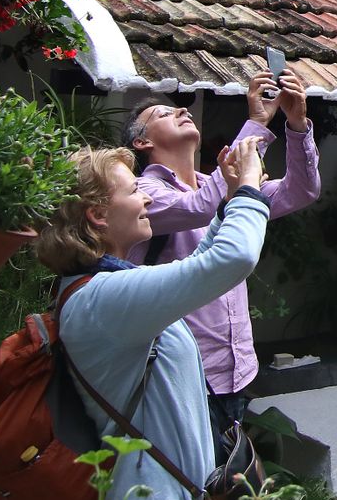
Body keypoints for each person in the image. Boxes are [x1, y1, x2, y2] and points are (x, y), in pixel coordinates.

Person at [32, 141, 268, 500]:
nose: (145, 197)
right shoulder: (105, 298)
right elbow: (232, 260)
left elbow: (197, 267)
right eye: (133, 189)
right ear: (98, 215)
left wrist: (225, 204)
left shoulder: (109, 290)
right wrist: (249, 189)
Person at [122, 69, 321, 428]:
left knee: (226, 479)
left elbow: (300, 191)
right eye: (164, 114)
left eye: (180, 109)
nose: (181, 111)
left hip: (236, 369)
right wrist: (257, 123)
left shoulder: (216, 183)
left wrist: (297, 124)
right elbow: (200, 206)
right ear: (142, 143)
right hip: (179, 371)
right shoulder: (143, 193)